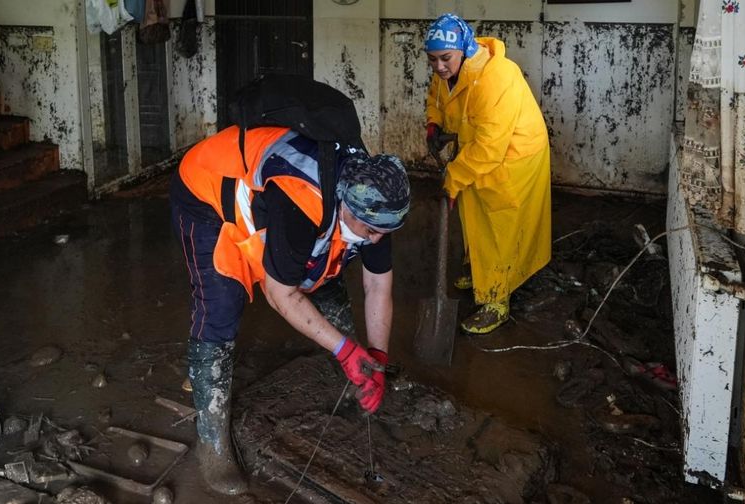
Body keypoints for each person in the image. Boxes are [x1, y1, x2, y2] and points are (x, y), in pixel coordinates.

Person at [169, 125, 410, 495]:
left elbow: (378, 285)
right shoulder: (302, 202)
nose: (377, 239)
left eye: (384, 232)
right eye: (371, 230)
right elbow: (280, 294)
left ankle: (355, 378)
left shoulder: (375, 202)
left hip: (291, 206)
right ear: (346, 206)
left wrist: (377, 355)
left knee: (323, 273)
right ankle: (212, 443)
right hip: (208, 189)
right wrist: (345, 349)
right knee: (221, 302)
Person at [424, 13, 552, 334]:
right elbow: (437, 97)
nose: (439, 66)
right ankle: (478, 266)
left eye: (445, 58)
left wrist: (452, 179)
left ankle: (496, 300)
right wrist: (434, 124)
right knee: (472, 211)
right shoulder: (449, 71)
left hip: (513, 155)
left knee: (497, 222)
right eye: (432, 59)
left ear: (464, 49)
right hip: (477, 149)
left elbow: (490, 148)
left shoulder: (497, 77)